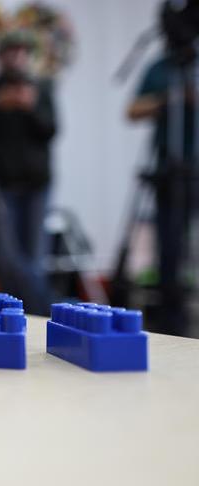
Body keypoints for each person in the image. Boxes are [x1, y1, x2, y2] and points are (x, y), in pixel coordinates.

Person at [0, 32, 57, 307]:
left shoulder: (42, 87)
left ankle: (38, 309)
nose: (17, 57)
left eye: (22, 51)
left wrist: (30, 107)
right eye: (11, 50)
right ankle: (23, 307)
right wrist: (0, 102)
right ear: (1, 55)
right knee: (8, 256)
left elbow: (51, 129)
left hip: (37, 183)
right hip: (1, 183)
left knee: (35, 255)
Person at [127, 51, 196, 335]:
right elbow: (132, 110)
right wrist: (171, 99)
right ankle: (171, 319)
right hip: (168, 169)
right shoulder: (160, 67)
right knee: (169, 247)